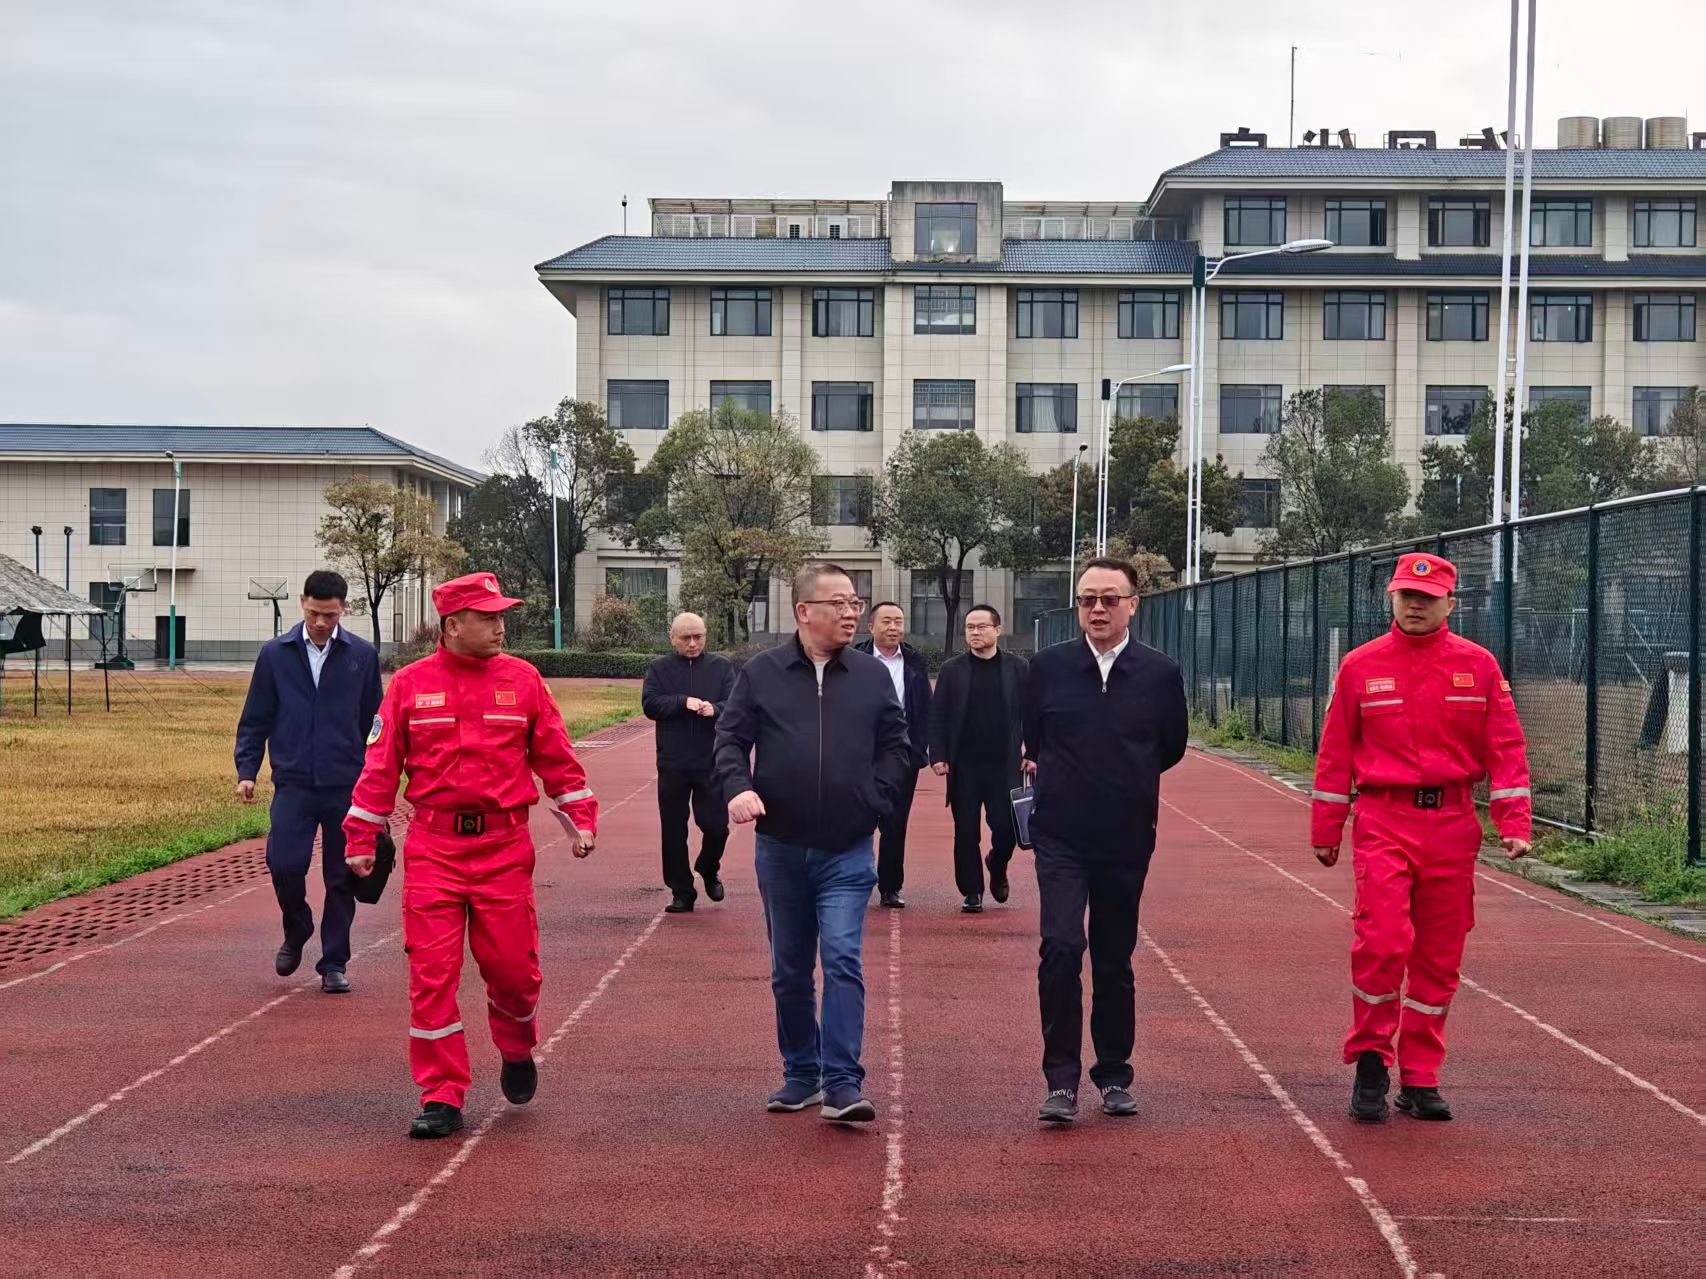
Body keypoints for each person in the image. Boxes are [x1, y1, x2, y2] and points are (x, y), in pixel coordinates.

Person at [341, 571, 599, 1139]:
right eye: (488, 617)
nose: (501, 627)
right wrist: (360, 838)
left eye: (502, 616)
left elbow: (556, 757)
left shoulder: (524, 681)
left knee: (514, 971)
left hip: (504, 849)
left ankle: (516, 1044)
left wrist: (580, 817)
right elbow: (380, 767)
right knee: (431, 976)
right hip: (434, 849)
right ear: (453, 625)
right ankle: (441, 1093)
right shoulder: (410, 685)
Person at [1312, 552, 1532, 1124]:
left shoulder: (1479, 667)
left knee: (1439, 956)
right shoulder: (1360, 666)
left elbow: (1506, 748)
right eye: (1406, 595)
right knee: (1383, 941)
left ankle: (1420, 1076)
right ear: (1392, 597)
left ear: (1450, 604)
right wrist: (1326, 827)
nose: (1415, 605)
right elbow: (1335, 752)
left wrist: (1514, 823)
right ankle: (1370, 1061)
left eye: (1428, 598)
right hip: (1385, 819)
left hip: (1453, 823)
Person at [714, 563, 911, 1123]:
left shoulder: (872, 675)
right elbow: (730, 739)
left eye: (855, 603)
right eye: (839, 603)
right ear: (803, 611)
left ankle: (843, 1081)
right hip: (780, 848)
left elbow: (897, 746)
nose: (852, 613)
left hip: (847, 848)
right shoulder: (762, 673)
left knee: (843, 958)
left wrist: (875, 799)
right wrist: (738, 787)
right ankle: (802, 1073)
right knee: (790, 968)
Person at [1022, 557, 1187, 1124]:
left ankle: (1113, 1071)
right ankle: (1060, 1080)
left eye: (1110, 599)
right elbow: (1034, 737)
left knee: (1114, 957)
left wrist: (1125, 781)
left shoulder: (1160, 673)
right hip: (1060, 835)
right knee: (1061, 947)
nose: (1097, 608)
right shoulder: (1046, 668)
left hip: (1125, 836)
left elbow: (1170, 746)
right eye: (1088, 598)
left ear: (1132, 605)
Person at [235, 570, 383, 994]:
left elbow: (374, 724)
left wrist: (375, 782)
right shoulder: (275, 654)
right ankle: (297, 924)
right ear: (302, 602)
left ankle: (334, 962)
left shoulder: (362, 656)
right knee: (284, 863)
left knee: (341, 876)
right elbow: (256, 718)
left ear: (344, 609)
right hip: (294, 782)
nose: (320, 622)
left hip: (346, 785)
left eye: (330, 615)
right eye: (314, 613)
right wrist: (247, 770)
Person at [928, 604, 1027, 913]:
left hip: (1004, 765)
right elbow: (938, 714)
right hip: (964, 766)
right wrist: (938, 754)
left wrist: (1034, 751)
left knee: (1007, 830)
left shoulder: (1018, 668)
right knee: (966, 832)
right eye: (969, 627)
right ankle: (972, 891)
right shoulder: (952, 669)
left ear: (998, 629)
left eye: (981, 626)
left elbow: (1033, 713)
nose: (974, 632)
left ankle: (997, 864)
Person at [643, 612, 736, 914]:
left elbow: (735, 704)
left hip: (711, 761)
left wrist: (716, 709)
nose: (693, 643)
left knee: (717, 826)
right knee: (673, 830)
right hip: (673, 762)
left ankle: (708, 866)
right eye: (686, 638)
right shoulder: (659, 669)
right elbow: (650, 704)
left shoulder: (721, 667)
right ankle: (681, 891)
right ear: (672, 638)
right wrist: (682, 702)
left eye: (698, 637)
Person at [853, 601, 932, 909]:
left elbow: (925, 708)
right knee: (856, 818)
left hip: (901, 753)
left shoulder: (914, 661)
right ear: (871, 626)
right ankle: (853, 882)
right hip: (860, 752)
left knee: (895, 823)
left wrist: (920, 749)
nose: (893, 627)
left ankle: (890, 887)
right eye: (886, 621)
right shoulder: (854, 659)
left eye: (898, 621)